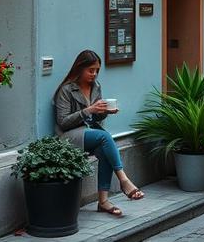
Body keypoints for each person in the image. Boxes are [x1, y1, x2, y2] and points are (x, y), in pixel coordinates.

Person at [54, 50, 145, 216]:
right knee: (105, 137)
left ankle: (103, 202)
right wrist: (88, 110)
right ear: (79, 69)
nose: (94, 74)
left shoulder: (96, 87)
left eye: (97, 70)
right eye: (90, 70)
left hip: (90, 132)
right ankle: (124, 181)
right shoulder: (66, 90)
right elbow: (63, 122)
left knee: (105, 150)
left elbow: (97, 115)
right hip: (70, 136)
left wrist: (105, 112)